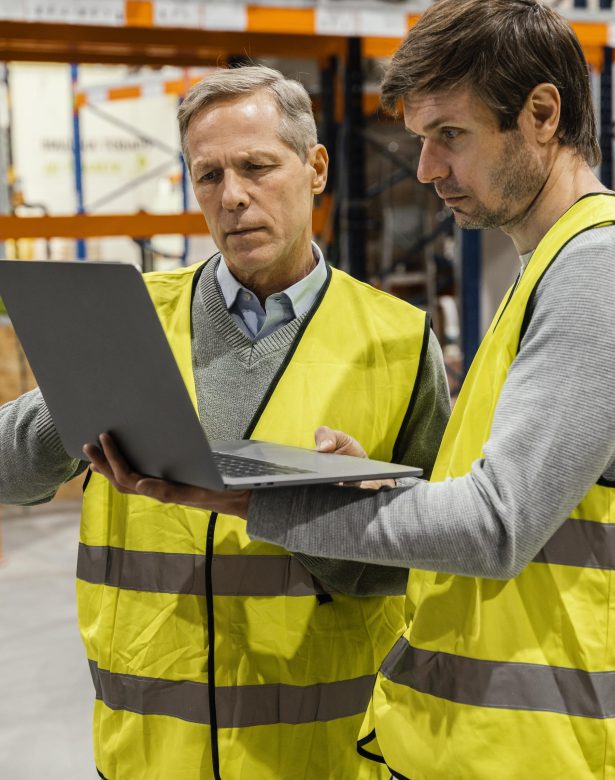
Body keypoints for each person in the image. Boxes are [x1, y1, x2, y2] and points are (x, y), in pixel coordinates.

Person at [89, 2, 615, 778]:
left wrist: (254, 498)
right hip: (525, 743)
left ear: (540, 114)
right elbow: (497, 498)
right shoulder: (551, 267)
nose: (425, 168)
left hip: (577, 749)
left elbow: (496, 527)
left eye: (449, 134)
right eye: (421, 139)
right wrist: (366, 487)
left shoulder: (599, 269)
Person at [0, 66, 450, 779]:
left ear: (315, 169)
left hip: (320, 756)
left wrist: (351, 513)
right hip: (150, 756)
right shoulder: (132, 319)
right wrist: (79, 396)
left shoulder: (397, 341)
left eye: (256, 167)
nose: (232, 196)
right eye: (208, 175)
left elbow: (440, 564)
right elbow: (8, 473)